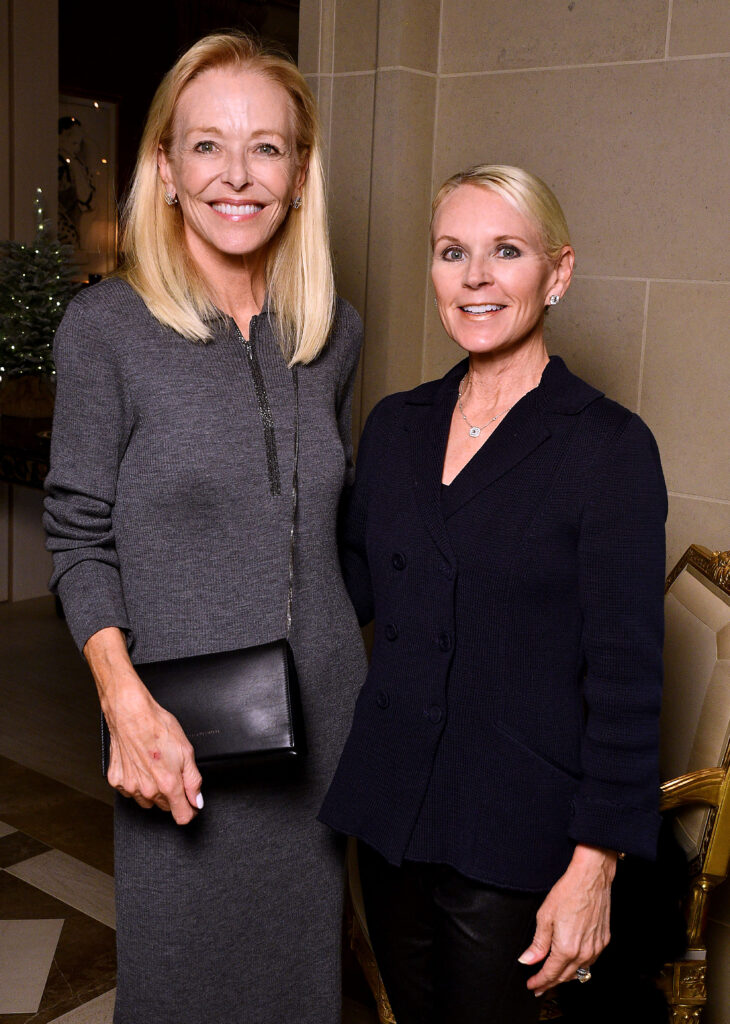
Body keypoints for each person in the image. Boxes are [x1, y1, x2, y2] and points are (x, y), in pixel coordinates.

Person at [44, 31, 366, 1024]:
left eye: (266, 147)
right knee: (183, 991)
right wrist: (124, 704)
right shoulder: (106, 330)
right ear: (165, 167)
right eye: (207, 145)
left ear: (301, 173)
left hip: (322, 734)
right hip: (176, 739)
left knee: (301, 993)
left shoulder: (332, 331)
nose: (238, 174)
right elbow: (78, 534)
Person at [319, 164, 667, 1024]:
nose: (474, 276)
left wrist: (595, 866)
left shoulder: (608, 449)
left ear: (558, 272)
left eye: (505, 251)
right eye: (452, 251)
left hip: (516, 831)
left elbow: (627, 680)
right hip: (392, 812)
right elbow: (344, 587)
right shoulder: (397, 427)